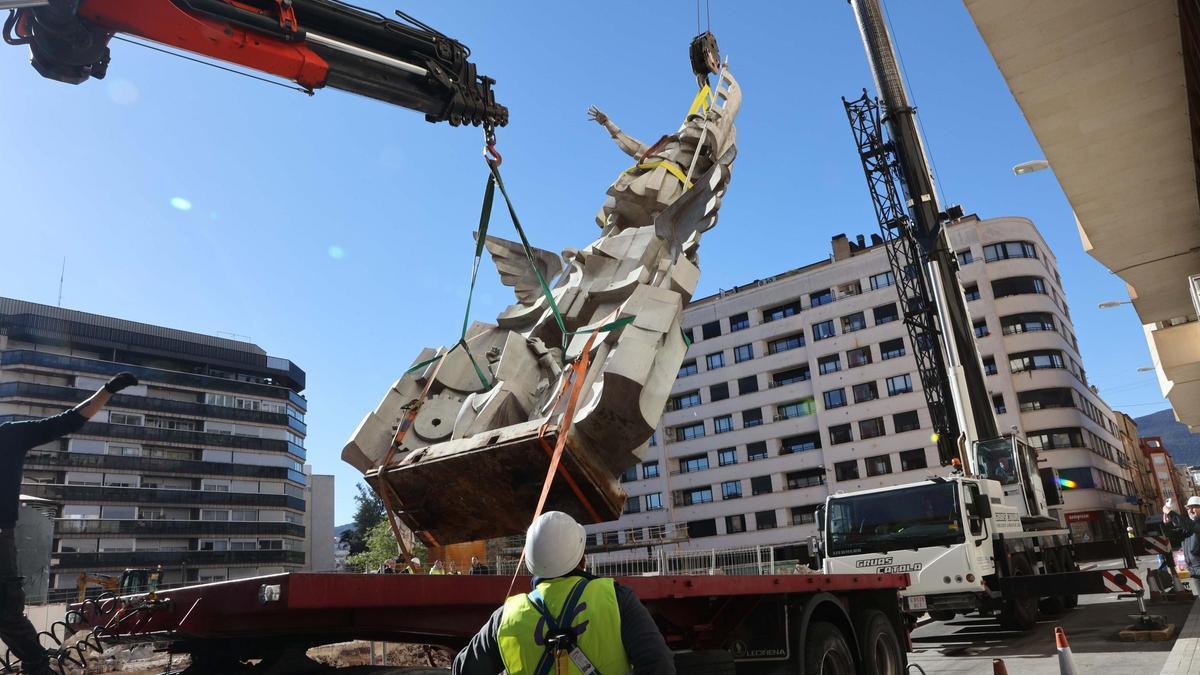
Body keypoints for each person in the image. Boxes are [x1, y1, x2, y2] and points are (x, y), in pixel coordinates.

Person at [1, 372, 139, 675]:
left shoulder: (8, 436)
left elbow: (67, 421)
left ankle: (37, 665)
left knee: (6, 611)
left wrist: (107, 390)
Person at [452, 511, 674, 674]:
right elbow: (659, 663)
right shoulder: (615, 599)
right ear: (582, 559)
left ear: (530, 562)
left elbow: (463, 670)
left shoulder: (506, 617)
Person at [1163, 497, 1200, 596]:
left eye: (1195, 507)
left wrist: (1171, 512)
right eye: (1188, 508)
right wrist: (1168, 524)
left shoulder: (1193, 525)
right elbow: (1173, 536)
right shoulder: (1189, 525)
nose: (1191, 511)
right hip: (1195, 570)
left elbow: (1190, 526)